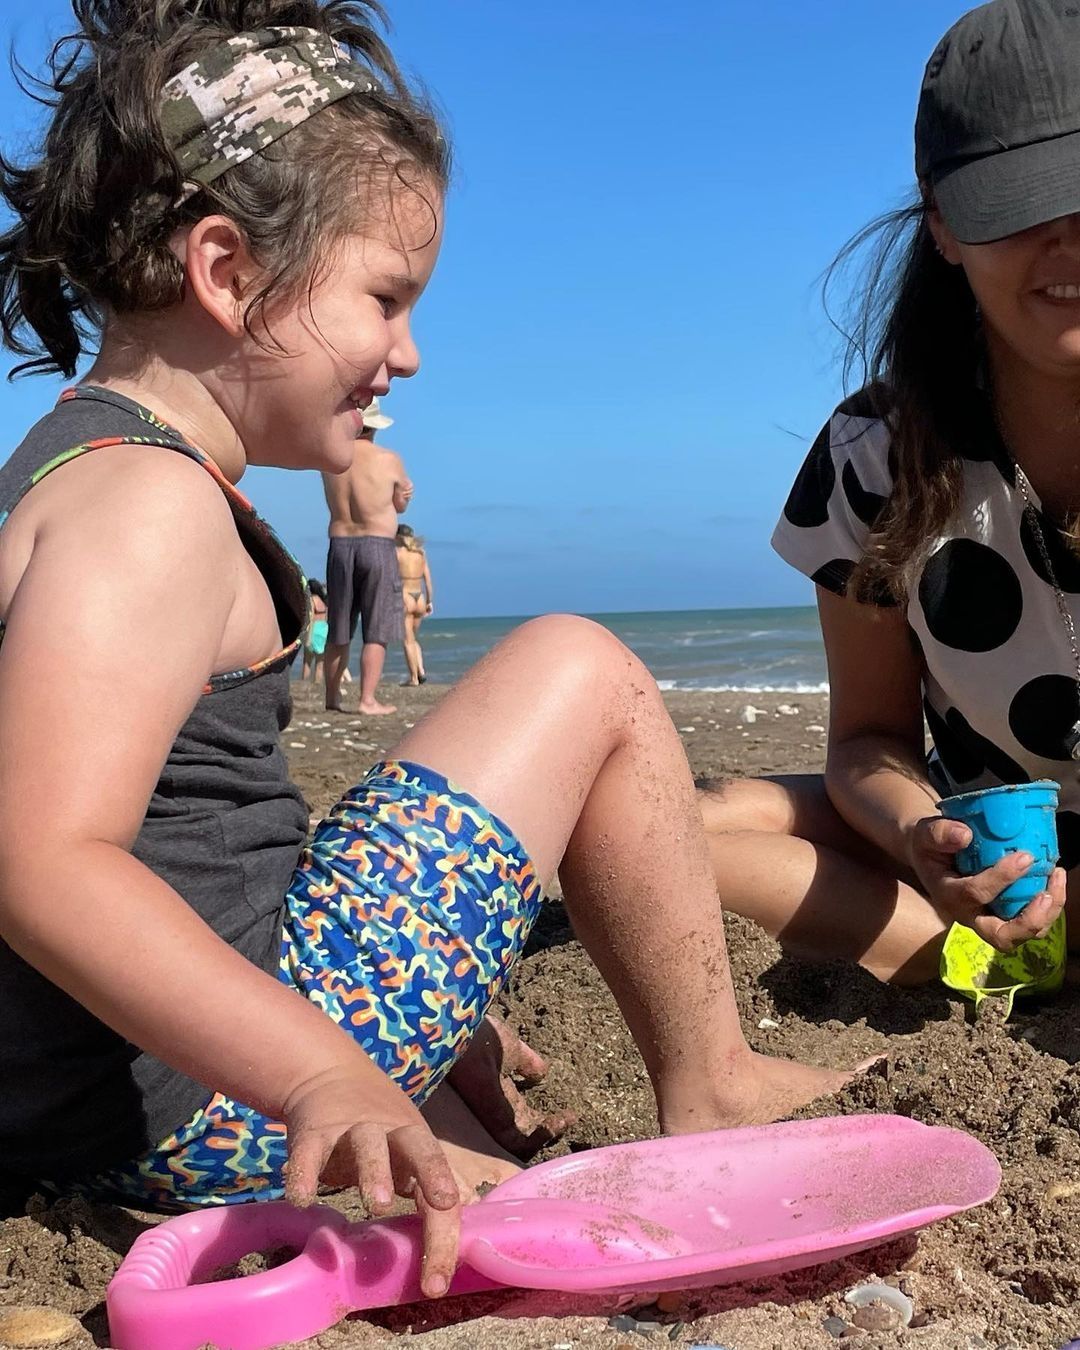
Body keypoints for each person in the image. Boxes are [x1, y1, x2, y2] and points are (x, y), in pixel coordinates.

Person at [0, 0, 857, 1296]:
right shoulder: (147, 506)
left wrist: (399, 1021)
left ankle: (449, 1126)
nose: (408, 351)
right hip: (194, 1099)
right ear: (227, 273)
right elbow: (40, 859)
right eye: (385, 297)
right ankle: (717, 1079)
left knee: (488, 1182)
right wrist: (313, 1063)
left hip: (121, 1089)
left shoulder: (70, 463)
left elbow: (203, 843)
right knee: (585, 668)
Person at [700, 0, 1078, 987]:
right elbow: (869, 741)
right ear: (946, 224)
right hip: (989, 841)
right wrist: (924, 838)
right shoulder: (879, 457)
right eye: (1026, 201)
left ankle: (978, 962)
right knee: (653, 821)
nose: (1070, 241)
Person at [322, 394, 409, 715]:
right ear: (374, 426)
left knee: (339, 626)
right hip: (377, 544)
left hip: (341, 544)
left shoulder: (334, 461)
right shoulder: (388, 459)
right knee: (377, 627)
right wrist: (404, 498)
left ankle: (332, 697)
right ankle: (367, 699)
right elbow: (397, 504)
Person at [396, 522, 432, 685]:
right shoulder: (420, 554)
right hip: (420, 597)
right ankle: (421, 670)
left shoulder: (397, 554)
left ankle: (413, 678)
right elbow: (428, 581)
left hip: (405, 597)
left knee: (407, 640)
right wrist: (430, 601)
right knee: (414, 638)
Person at [301, 578, 329, 681]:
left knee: (307, 662)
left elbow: (311, 619)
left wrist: (307, 638)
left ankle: (304, 683)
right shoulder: (324, 601)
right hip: (324, 631)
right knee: (319, 663)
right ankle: (317, 684)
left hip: (314, 631)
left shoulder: (311, 600)